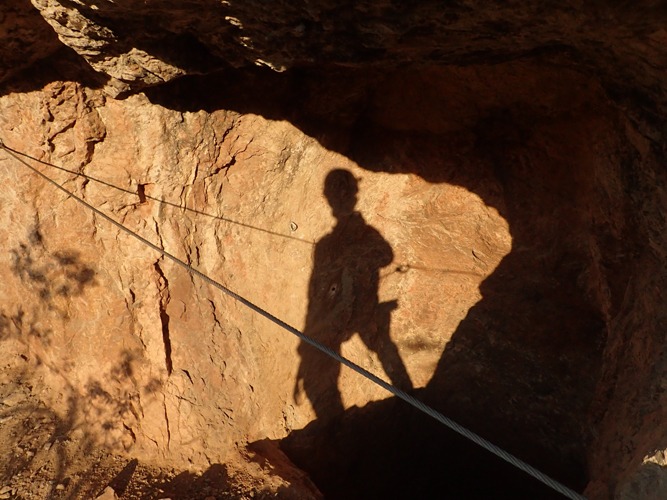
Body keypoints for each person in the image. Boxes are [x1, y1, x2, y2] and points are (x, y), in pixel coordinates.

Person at [294, 169, 412, 420]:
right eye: (337, 193)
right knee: (324, 373)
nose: (342, 198)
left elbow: (386, 255)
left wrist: (356, 254)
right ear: (328, 198)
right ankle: (334, 426)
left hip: (365, 310)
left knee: (384, 349)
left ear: (354, 196)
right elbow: (316, 291)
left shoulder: (364, 233)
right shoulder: (325, 245)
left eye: (346, 192)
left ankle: (413, 402)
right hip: (337, 315)